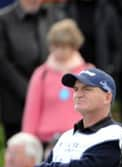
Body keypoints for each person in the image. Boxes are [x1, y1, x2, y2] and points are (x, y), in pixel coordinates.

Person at [0, 0, 65, 140]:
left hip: (51, 101)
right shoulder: (4, 19)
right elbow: (3, 63)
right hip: (16, 104)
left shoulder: (53, 15)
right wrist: (31, 91)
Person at [22, 18, 89, 146]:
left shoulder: (88, 72)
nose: (59, 51)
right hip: (48, 142)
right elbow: (32, 110)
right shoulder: (41, 74)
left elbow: (96, 108)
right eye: (55, 46)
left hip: (81, 140)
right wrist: (28, 142)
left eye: (64, 47)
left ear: (74, 46)